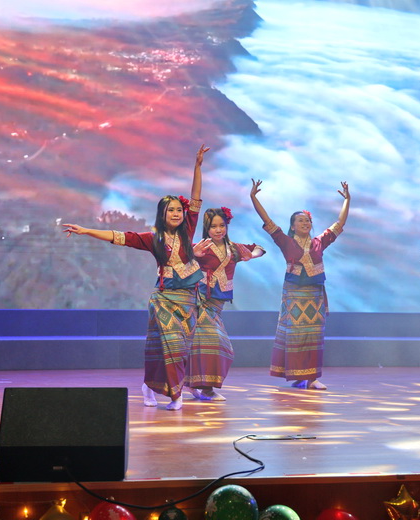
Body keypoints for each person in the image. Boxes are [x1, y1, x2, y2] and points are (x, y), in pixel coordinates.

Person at [62, 145, 209, 411]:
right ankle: (176, 395)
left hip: (189, 301)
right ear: (162, 214)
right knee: (170, 347)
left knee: (178, 349)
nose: (177, 213)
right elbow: (119, 237)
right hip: (164, 301)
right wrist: (86, 230)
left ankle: (149, 386)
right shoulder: (152, 239)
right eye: (171, 210)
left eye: (179, 209)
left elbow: (196, 197)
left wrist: (197, 167)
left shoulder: (188, 231)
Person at [249, 179, 350, 390]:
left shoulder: (319, 242)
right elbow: (267, 220)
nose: (305, 223)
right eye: (301, 221)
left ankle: (311, 378)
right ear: (293, 225)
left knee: (313, 336)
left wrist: (347, 200)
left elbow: (339, 224)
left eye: (308, 221)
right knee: (295, 335)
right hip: (294, 294)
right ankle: (298, 374)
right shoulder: (285, 241)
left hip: (314, 295)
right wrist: (253, 197)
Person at [187, 207, 265, 401]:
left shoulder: (234, 249)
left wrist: (251, 255)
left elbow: (260, 248)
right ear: (207, 228)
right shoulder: (201, 247)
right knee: (217, 344)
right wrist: (192, 254)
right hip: (201, 302)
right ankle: (206, 389)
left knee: (207, 346)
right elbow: (180, 259)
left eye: (221, 225)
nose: (218, 230)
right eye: (213, 226)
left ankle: (195, 384)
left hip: (217, 306)